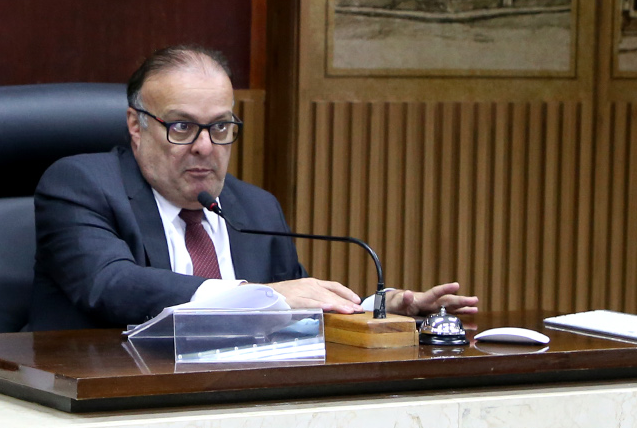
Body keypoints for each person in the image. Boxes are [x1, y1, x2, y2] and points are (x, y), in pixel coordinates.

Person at [29, 44, 481, 330]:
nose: (205, 146)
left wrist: (375, 310)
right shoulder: (82, 185)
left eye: (220, 127)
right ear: (136, 125)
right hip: (107, 408)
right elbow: (111, 285)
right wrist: (259, 296)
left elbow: (295, 311)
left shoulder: (256, 208)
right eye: (182, 126)